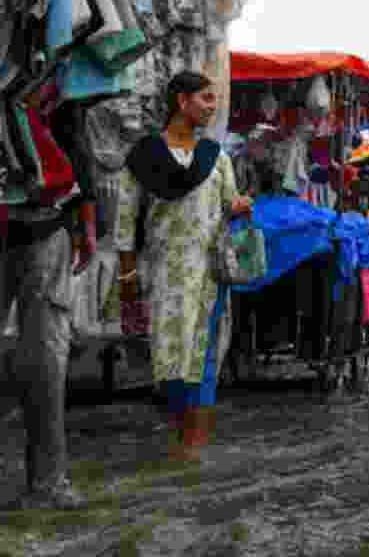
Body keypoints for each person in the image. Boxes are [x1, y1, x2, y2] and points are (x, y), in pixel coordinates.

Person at [0, 83, 101, 511]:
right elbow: (72, 125)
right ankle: (40, 483)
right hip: (17, 223)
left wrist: (86, 214)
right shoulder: (45, 42)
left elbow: (71, 124)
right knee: (27, 359)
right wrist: (87, 214)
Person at [116, 72, 252, 464]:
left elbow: (229, 204)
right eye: (205, 99)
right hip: (165, 273)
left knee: (206, 355)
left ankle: (195, 445)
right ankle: (179, 440)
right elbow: (126, 218)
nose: (212, 106)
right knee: (169, 355)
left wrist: (240, 206)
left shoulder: (217, 156)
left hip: (209, 272)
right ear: (181, 101)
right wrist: (127, 274)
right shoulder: (144, 157)